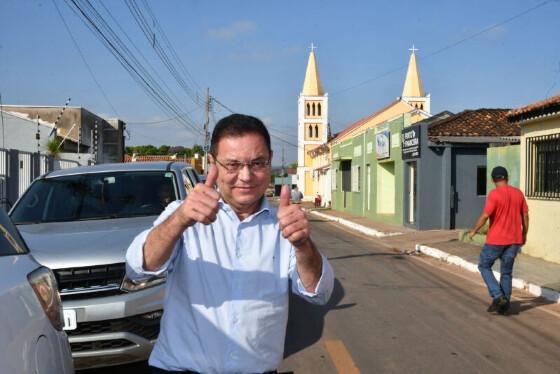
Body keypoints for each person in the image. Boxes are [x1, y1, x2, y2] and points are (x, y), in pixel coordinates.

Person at [126, 114, 334, 374]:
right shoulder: (183, 213)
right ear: (212, 163)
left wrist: (303, 245)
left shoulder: (284, 224)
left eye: (257, 163)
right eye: (233, 164)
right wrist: (180, 220)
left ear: (270, 160)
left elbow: (319, 292)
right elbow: (139, 267)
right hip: (178, 369)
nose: (246, 176)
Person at [469, 166, 529, 315]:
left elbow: (485, 216)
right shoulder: (518, 193)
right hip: (514, 239)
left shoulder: (494, 195)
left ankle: (497, 296)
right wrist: (524, 234)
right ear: (506, 177)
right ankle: (505, 303)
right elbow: (525, 216)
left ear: (492, 180)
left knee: (484, 265)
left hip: (496, 240)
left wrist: (474, 230)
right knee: (507, 272)